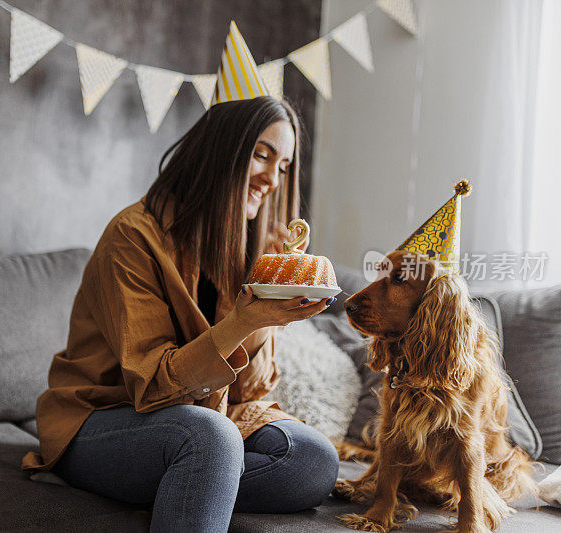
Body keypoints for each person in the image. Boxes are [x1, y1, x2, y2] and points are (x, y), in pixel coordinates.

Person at [21, 96, 340, 532]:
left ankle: (191, 480)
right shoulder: (132, 236)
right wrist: (241, 322)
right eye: (261, 155)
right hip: (102, 418)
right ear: (220, 151)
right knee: (208, 438)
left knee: (313, 460)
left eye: (283, 166)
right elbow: (152, 387)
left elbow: (250, 392)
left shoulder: (248, 249)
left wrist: (265, 318)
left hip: (204, 416)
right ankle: (196, 471)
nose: (272, 179)